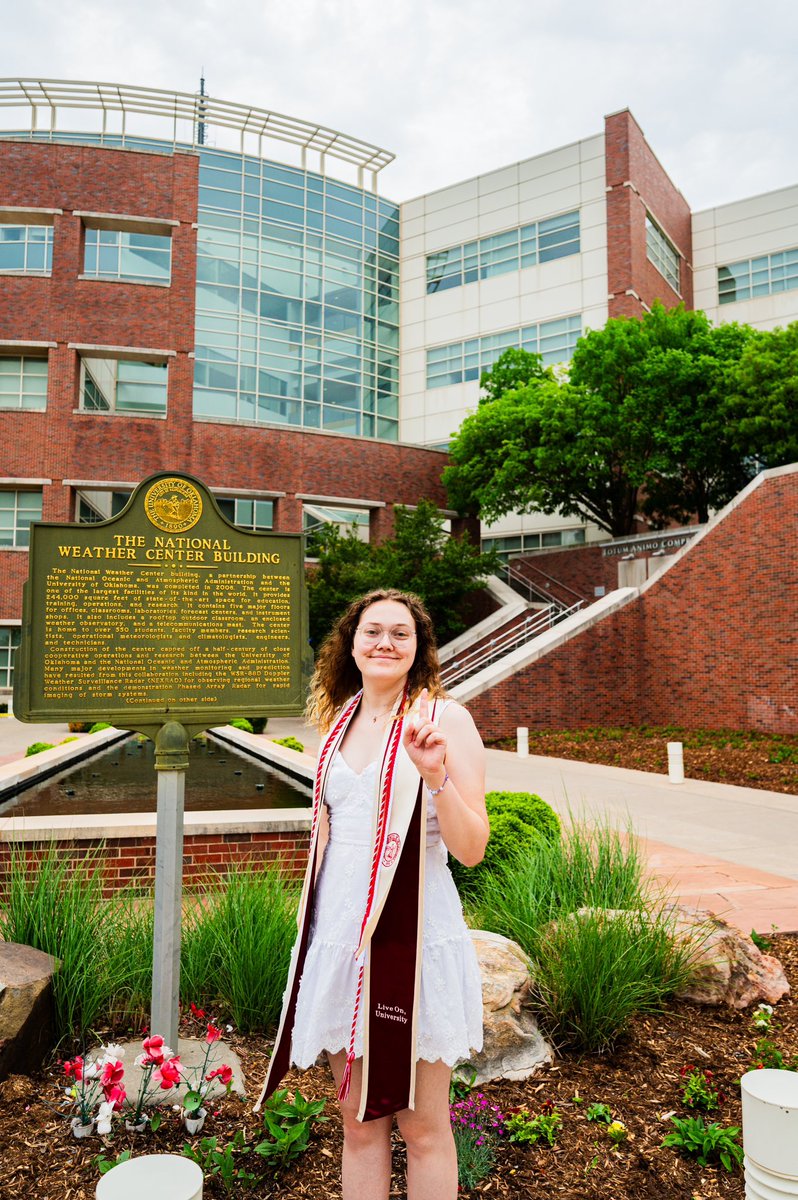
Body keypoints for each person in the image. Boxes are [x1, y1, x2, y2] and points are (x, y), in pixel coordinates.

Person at [256, 587, 489, 1200]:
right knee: (359, 1126)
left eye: (400, 633)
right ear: (350, 645)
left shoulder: (445, 720)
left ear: (418, 649)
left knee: (424, 1128)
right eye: (372, 631)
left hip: (411, 939)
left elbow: (471, 848)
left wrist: (436, 778)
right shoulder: (338, 723)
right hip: (340, 936)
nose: (385, 641)